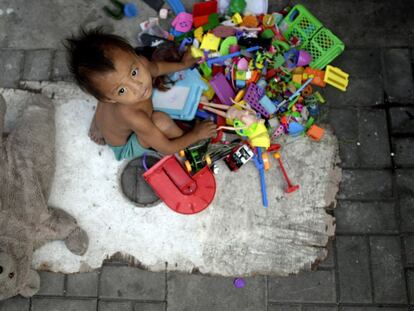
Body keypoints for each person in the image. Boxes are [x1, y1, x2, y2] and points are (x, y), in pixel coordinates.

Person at [65, 28, 217, 160]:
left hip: (110, 110)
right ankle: (193, 147)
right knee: (160, 121)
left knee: (105, 93)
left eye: (133, 72)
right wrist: (196, 134)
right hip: (124, 146)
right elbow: (167, 148)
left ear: (135, 55)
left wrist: (182, 65)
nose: (137, 86)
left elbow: (156, 68)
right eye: (122, 90)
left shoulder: (140, 66)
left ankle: (99, 124)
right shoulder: (134, 115)